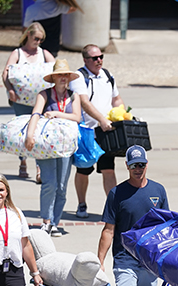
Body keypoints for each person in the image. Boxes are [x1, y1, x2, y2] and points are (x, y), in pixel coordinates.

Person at [97, 145, 169, 286]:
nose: (138, 169)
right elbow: (109, 230)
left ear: (147, 164)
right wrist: (100, 261)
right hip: (124, 260)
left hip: (149, 262)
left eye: (142, 164)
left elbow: (166, 227)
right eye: (134, 165)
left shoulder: (159, 190)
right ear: (126, 166)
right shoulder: (117, 194)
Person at [25, 59, 82, 238]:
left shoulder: (74, 96)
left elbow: (77, 117)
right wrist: (30, 135)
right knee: (49, 183)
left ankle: (55, 223)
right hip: (47, 146)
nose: (63, 78)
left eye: (65, 75)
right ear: (54, 78)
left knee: (62, 186)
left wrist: (57, 114)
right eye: (59, 75)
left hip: (65, 146)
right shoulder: (44, 94)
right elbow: (35, 113)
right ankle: (46, 222)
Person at [70, 44, 125, 219]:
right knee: (83, 169)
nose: (99, 60)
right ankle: (81, 204)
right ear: (85, 60)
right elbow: (84, 102)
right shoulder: (79, 76)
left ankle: (113, 208)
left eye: (101, 56)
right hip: (88, 131)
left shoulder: (107, 75)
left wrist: (122, 114)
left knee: (109, 169)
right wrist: (101, 119)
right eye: (95, 58)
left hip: (107, 131)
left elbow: (116, 98)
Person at [2, 22, 56, 182]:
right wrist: (10, 90)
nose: (38, 42)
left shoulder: (44, 54)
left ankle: (39, 168)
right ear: (28, 36)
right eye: (36, 38)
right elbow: (5, 73)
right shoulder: (17, 53)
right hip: (21, 101)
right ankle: (23, 161)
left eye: (41, 39)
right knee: (22, 131)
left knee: (38, 132)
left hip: (41, 101)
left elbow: (57, 69)